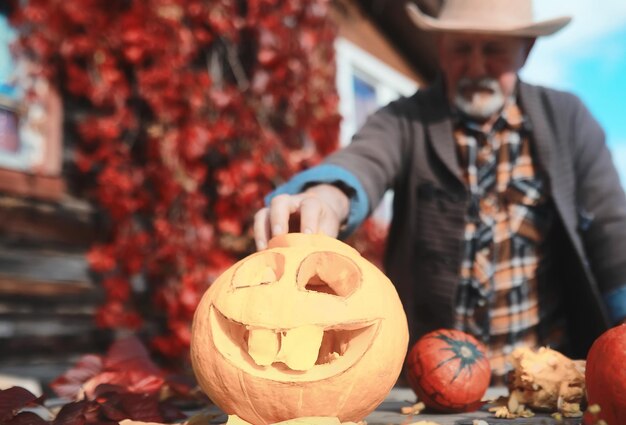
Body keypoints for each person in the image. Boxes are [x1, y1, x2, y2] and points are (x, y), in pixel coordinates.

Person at [253, 0, 626, 379]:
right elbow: (364, 161)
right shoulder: (405, 120)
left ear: (525, 51)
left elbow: (612, 226)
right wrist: (325, 199)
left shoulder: (567, 118)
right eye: (462, 48)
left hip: (546, 371)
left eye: (494, 50)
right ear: (441, 48)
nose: (477, 66)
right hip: (426, 385)